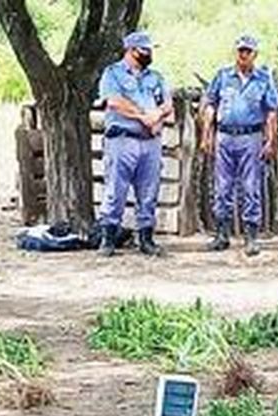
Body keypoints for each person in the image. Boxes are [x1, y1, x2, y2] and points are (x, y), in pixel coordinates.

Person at [201, 34, 278, 257]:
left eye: (248, 51)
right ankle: (222, 235)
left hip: (251, 137)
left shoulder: (264, 79)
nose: (243, 54)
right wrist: (206, 135)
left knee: (251, 187)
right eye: (240, 50)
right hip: (224, 137)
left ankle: (251, 237)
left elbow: (272, 112)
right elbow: (210, 105)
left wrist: (270, 141)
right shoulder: (223, 76)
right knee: (222, 187)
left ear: (255, 54)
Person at [95, 31, 173, 257]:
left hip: (150, 142)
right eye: (145, 50)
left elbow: (167, 104)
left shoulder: (155, 77)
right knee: (115, 190)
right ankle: (108, 238)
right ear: (131, 50)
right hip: (122, 139)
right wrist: (143, 116)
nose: (149, 54)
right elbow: (114, 102)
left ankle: (146, 239)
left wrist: (157, 114)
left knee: (149, 191)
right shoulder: (113, 74)